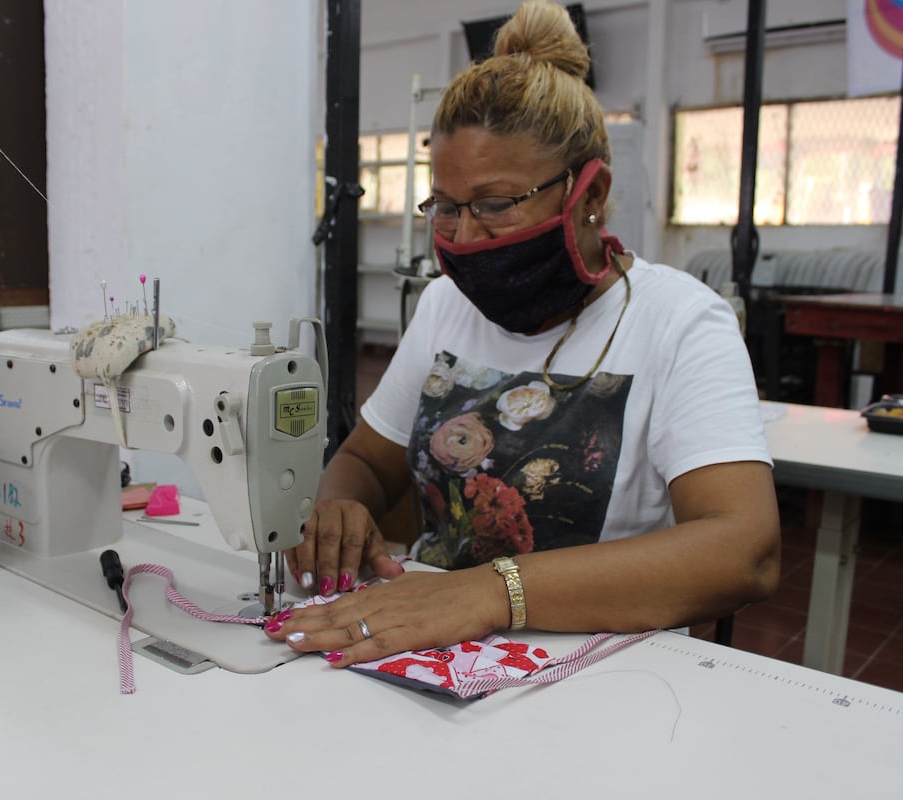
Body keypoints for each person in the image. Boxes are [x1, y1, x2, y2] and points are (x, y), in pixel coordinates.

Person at [266, 0, 780, 666]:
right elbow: (367, 462)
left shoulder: (681, 323)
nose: (465, 237)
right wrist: (338, 504)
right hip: (437, 648)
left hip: (598, 674)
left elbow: (746, 549)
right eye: (445, 208)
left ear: (590, 195)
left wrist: (491, 593)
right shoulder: (446, 306)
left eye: (495, 204)